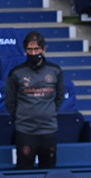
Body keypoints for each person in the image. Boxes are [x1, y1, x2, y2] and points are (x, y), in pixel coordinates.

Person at [4, 30, 64, 170]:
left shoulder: (55, 71)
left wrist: (48, 113)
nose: (33, 53)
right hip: (25, 131)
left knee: (49, 170)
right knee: (23, 170)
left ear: (43, 49)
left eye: (36, 49)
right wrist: (23, 116)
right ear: (25, 50)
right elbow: (10, 101)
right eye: (29, 50)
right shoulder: (16, 73)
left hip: (48, 130)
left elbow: (59, 97)